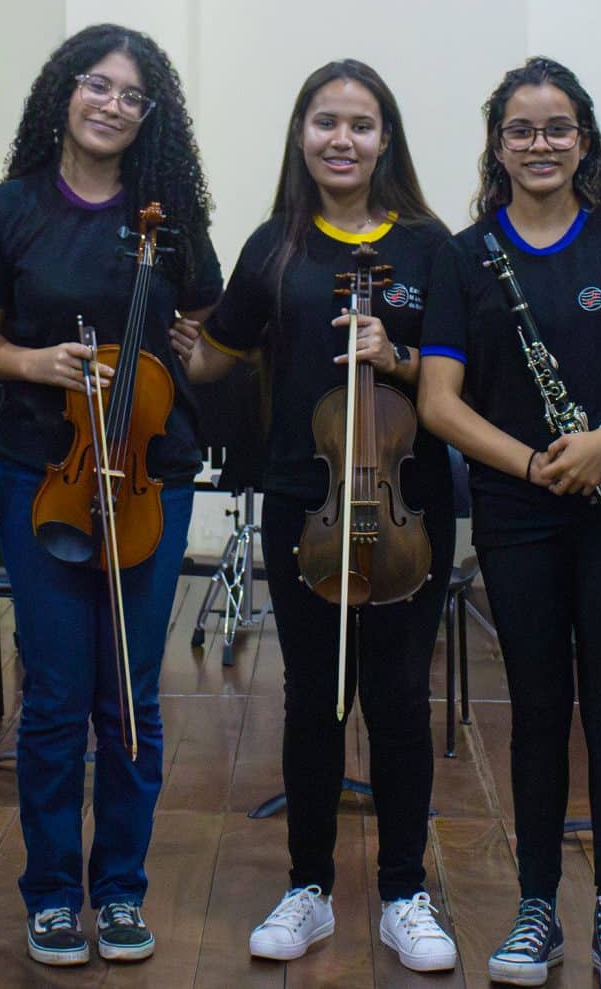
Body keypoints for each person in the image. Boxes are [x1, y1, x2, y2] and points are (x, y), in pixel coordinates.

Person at [183, 60, 459, 974]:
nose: (342, 138)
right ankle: (307, 886)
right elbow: (217, 357)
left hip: (406, 502)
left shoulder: (428, 247)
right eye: (325, 120)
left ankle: (404, 892)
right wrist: (157, 310)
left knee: (399, 701)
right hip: (306, 501)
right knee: (312, 699)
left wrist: (401, 352)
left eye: (362, 123)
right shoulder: (275, 244)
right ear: (301, 133)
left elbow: (461, 378)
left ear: (387, 139)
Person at [0, 24, 220, 966]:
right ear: (63, 91)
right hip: (42, 468)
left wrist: (196, 351)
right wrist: (35, 361)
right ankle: (53, 892)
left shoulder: (172, 219)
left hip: (151, 472)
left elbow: (205, 334)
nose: (111, 104)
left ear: (152, 116)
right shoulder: (7, 209)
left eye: (132, 95)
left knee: (132, 698)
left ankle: (120, 890)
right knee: (59, 693)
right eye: (96, 85)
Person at [418, 58, 601, 988]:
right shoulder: (463, 256)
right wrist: (535, 461)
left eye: (557, 128)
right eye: (522, 130)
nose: (540, 144)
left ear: (584, 140)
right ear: (498, 144)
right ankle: (538, 910)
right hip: (517, 508)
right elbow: (440, 401)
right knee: (536, 709)